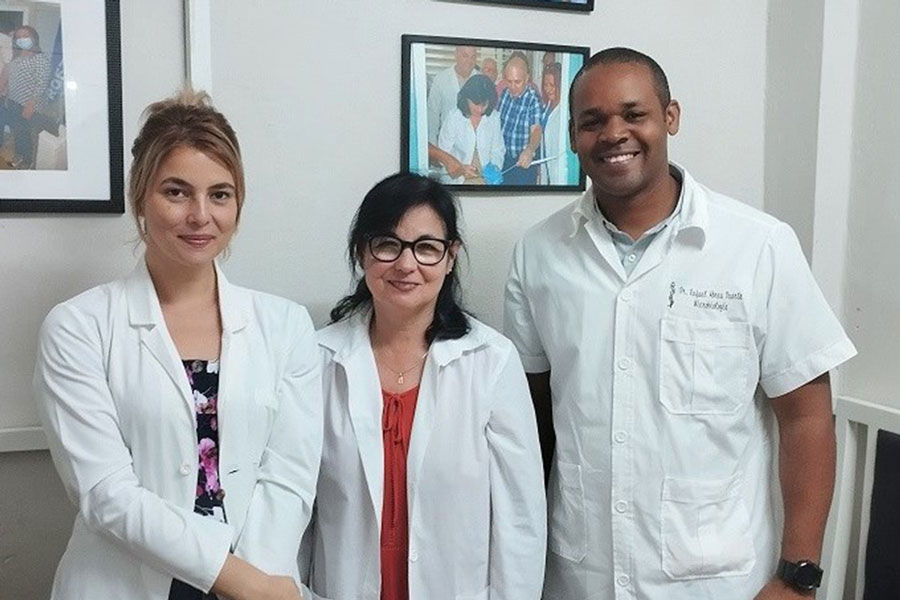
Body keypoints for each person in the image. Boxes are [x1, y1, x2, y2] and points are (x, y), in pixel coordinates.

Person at [504, 47, 857, 600]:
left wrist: (798, 575)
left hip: (719, 581)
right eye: (591, 122)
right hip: (579, 576)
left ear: (670, 117)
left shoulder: (756, 246)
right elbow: (532, 419)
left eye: (633, 114)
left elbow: (807, 417)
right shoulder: (540, 253)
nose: (613, 134)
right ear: (572, 137)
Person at [33, 90, 322, 600]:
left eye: (220, 194)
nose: (200, 215)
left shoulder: (285, 325)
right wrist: (240, 581)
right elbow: (106, 494)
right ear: (140, 196)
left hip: (259, 575)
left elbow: (289, 477)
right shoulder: (77, 327)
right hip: (123, 580)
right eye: (176, 191)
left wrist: (257, 583)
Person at [303, 173, 546, 599]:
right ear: (362, 252)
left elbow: (520, 523)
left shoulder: (491, 361)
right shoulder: (317, 359)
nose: (406, 264)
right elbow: (296, 512)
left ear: (450, 257)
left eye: (427, 248)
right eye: (387, 244)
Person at [437, 74, 505, 184]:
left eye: (484, 105)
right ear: (466, 98)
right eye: (475, 104)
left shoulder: (493, 118)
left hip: (485, 179)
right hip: (458, 179)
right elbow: (443, 153)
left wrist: (493, 169)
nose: (479, 109)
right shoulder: (454, 117)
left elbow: (498, 150)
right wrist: (460, 168)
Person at [0, 25, 51, 169]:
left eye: (25, 36)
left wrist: (31, 105)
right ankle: (19, 156)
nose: (22, 39)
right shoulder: (17, 58)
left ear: (34, 38)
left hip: (28, 104)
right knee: (18, 132)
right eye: (19, 37)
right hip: (13, 102)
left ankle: (27, 162)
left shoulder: (40, 59)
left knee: (25, 135)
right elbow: (11, 79)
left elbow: (42, 84)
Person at [498, 53, 543, 185]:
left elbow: (536, 130)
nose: (512, 86)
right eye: (509, 81)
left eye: (517, 82)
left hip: (523, 163)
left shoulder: (533, 100)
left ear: (527, 78)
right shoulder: (505, 93)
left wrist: (529, 150)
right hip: (503, 160)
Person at [426, 45, 476, 145]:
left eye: (473, 57)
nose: (469, 61)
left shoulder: (480, 80)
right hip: (446, 145)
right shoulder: (441, 79)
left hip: (473, 146)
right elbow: (432, 118)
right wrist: (433, 149)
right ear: (456, 55)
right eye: (465, 56)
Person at [538, 62, 562, 184]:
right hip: (546, 172)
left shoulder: (564, 113)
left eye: (552, 85)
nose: (548, 89)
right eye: (545, 85)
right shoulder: (546, 107)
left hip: (557, 174)